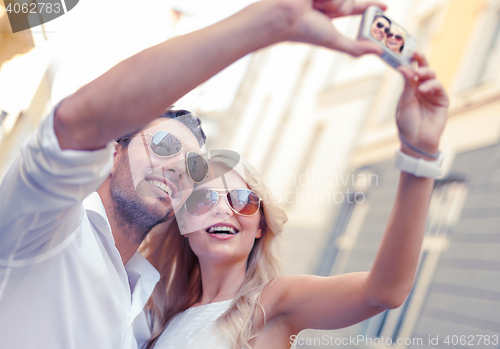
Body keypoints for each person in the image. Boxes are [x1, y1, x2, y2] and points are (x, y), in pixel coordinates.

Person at [0, 1, 387, 348]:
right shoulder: (45, 226)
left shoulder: (146, 309)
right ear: (112, 151)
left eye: (192, 166)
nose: (176, 167)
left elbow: (381, 292)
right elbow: (74, 124)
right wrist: (269, 22)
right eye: (162, 145)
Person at [141, 52, 450, 349]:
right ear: (183, 222)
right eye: (204, 200)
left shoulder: (273, 302)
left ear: (260, 223)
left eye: (242, 200)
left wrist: (418, 155)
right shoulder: (164, 315)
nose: (223, 209)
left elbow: (384, 292)